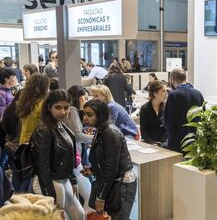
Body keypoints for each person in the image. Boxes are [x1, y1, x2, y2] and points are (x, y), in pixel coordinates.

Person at [31, 90, 85, 220]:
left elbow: (69, 158)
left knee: (79, 214)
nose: (63, 112)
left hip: (62, 179)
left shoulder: (61, 125)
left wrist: (73, 179)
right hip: (50, 181)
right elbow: (42, 166)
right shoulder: (44, 131)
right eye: (58, 107)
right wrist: (50, 196)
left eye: (66, 108)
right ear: (49, 107)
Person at [82, 100, 137, 220]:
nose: (85, 118)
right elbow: (106, 161)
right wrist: (93, 169)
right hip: (113, 182)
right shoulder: (100, 130)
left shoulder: (110, 133)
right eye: (84, 114)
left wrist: (101, 197)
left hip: (121, 184)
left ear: (100, 115)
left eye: (90, 115)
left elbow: (111, 168)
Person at [66, 85, 93, 213]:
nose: (85, 100)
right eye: (84, 97)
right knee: (89, 195)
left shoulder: (72, 111)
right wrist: (95, 138)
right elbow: (77, 135)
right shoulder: (72, 111)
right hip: (73, 158)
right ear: (78, 98)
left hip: (73, 157)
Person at [164, 68, 204, 153]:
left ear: (172, 79)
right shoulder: (198, 93)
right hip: (195, 140)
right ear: (185, 78)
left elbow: (169, 120)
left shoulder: (173, 95)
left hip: (177, 142)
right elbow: (203, 116)